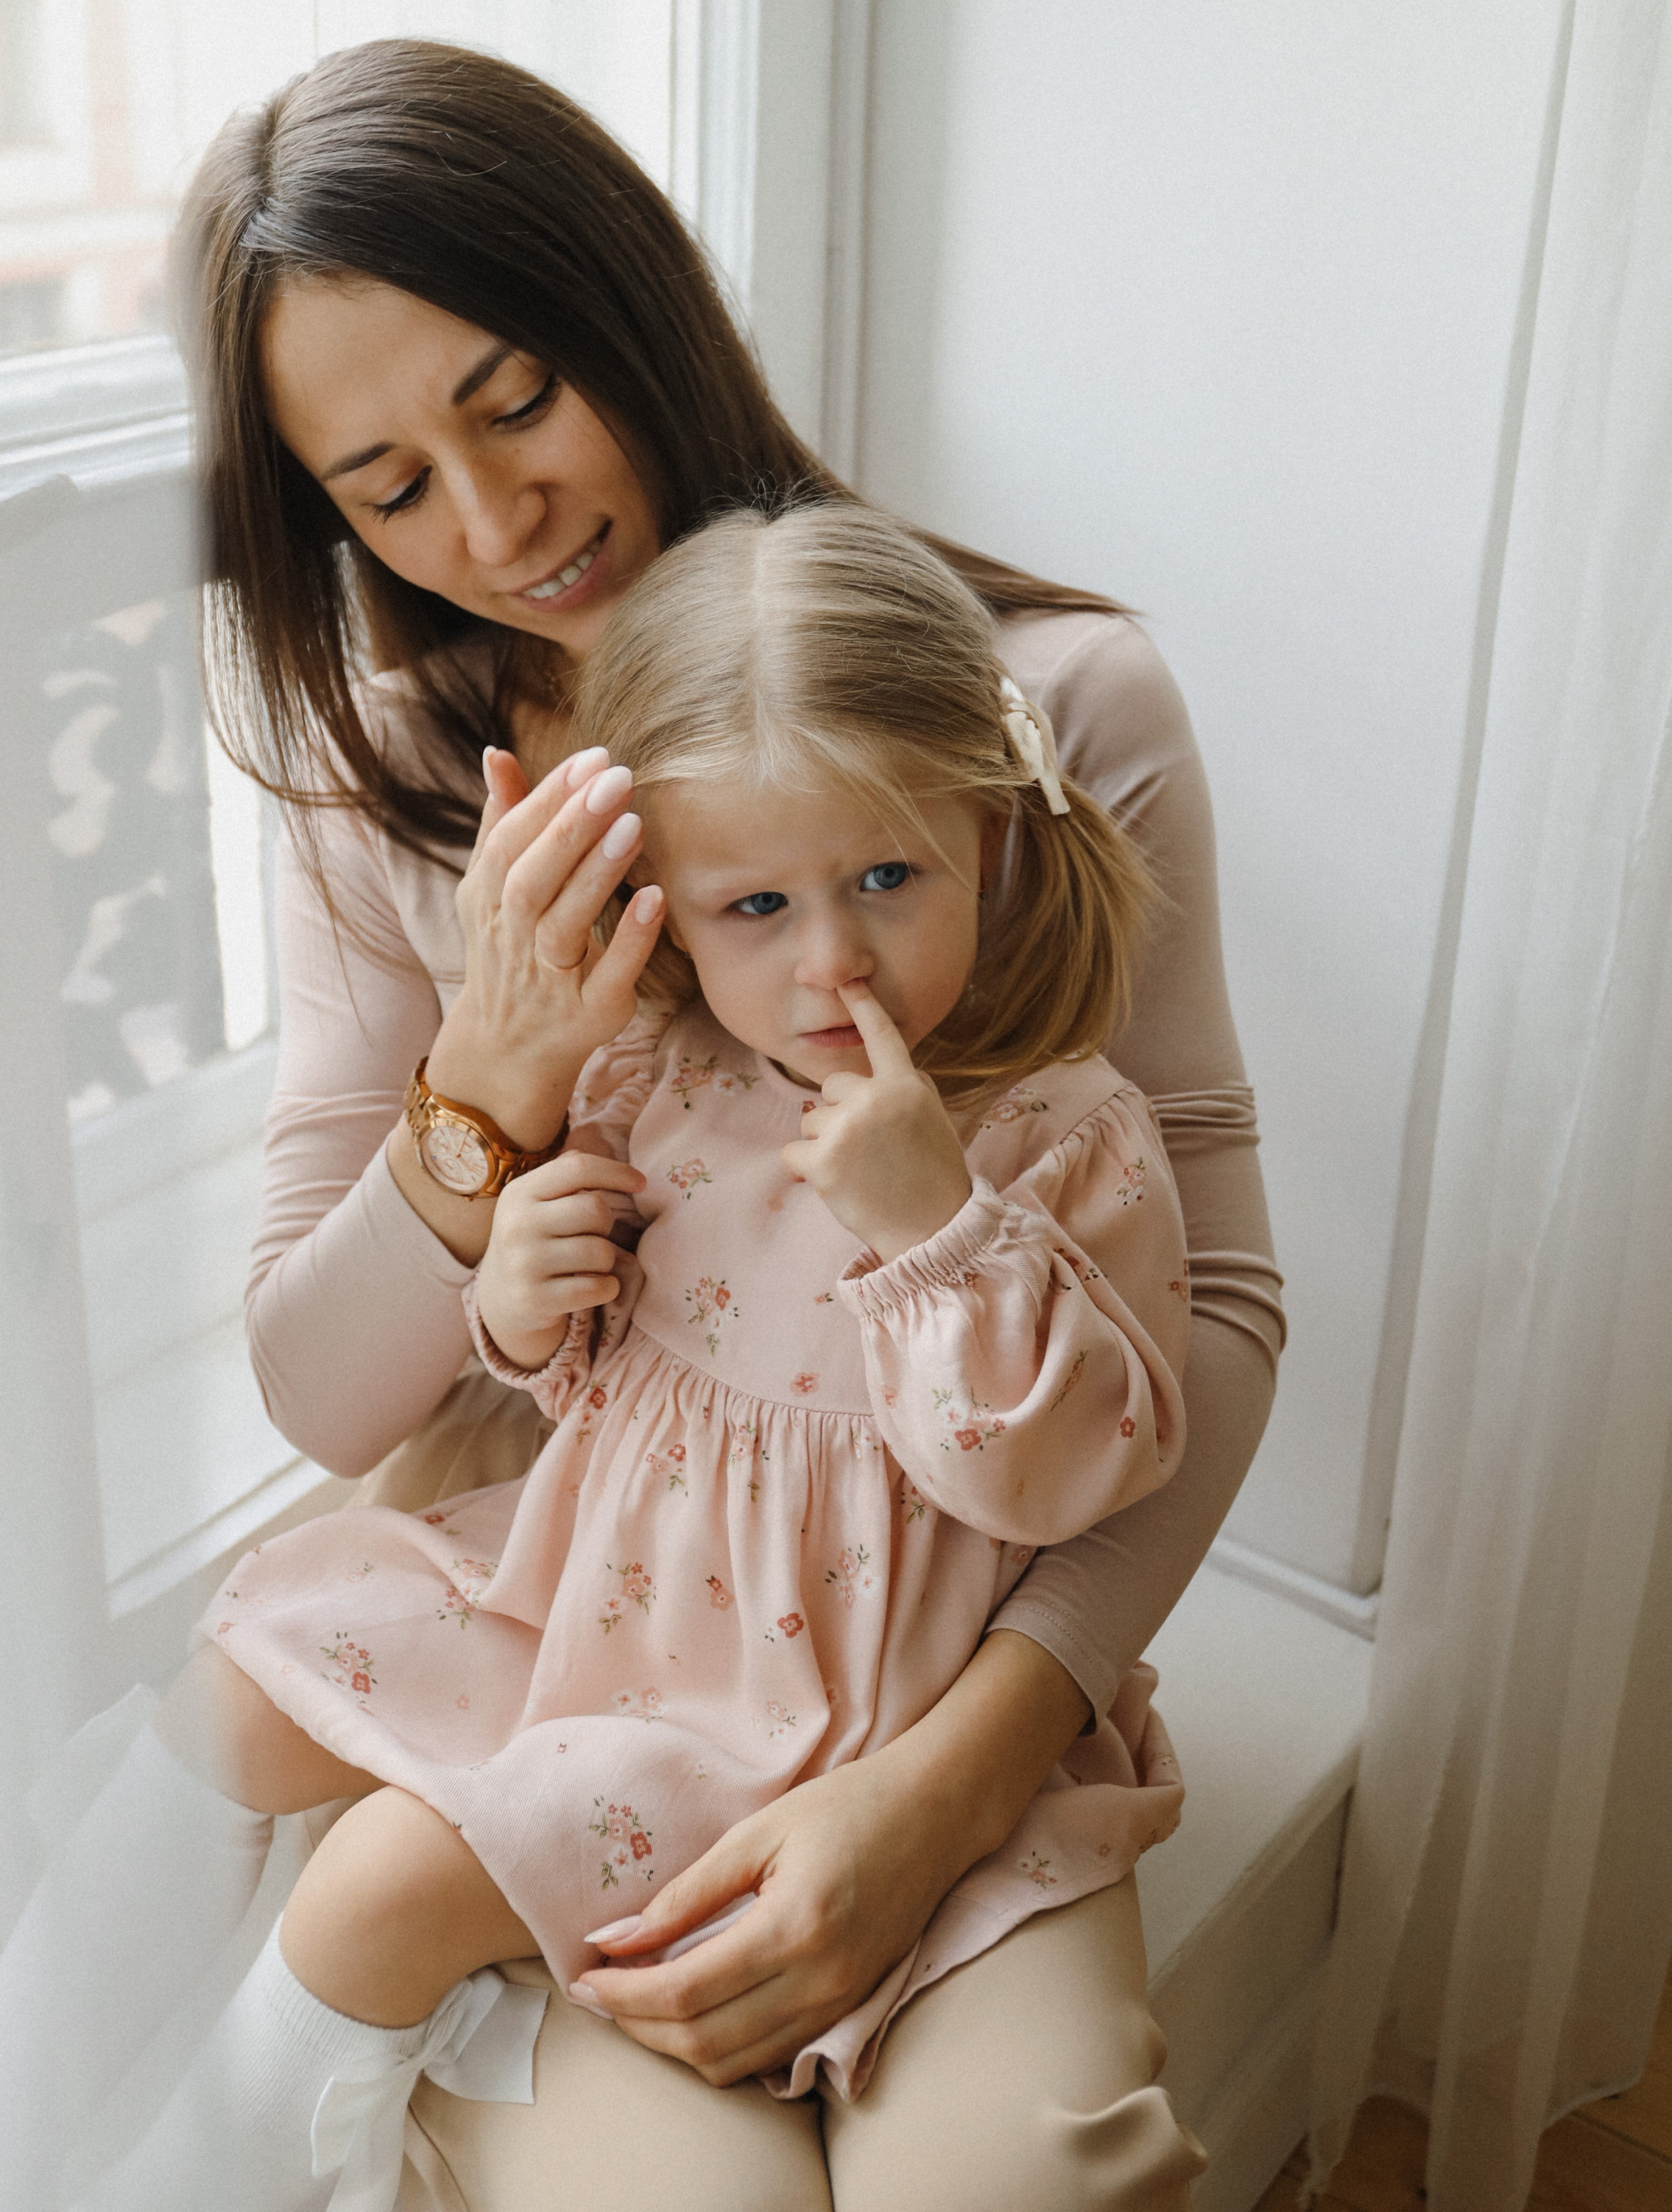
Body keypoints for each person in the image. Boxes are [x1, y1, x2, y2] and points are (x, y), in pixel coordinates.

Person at [2, 37, 1281, 2212]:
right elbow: (326, 1395)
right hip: (567, 1623)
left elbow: (1208, 1321)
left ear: (637, 305)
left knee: (1025, 2184)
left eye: (515, 398)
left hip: (938, 1647)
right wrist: (488, 1082)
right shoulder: (391, 793)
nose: (499, 527)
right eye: (390, 486)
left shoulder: (1041, 714)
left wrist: (950, 1792)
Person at [65, 502, 1197, 2212]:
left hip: (810, 1714)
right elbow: (585, 1376)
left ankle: (174, 2181)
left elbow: (1057, 1476)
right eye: (755, 905)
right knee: (239, 1672)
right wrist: (522, 1287)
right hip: (602, 1604)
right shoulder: (662, 1077)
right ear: (672, 909)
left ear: (992, 834)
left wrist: (934, 1226)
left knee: (381, 1888)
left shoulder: (1068, 1136)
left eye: (889, 877)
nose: (830, 961)